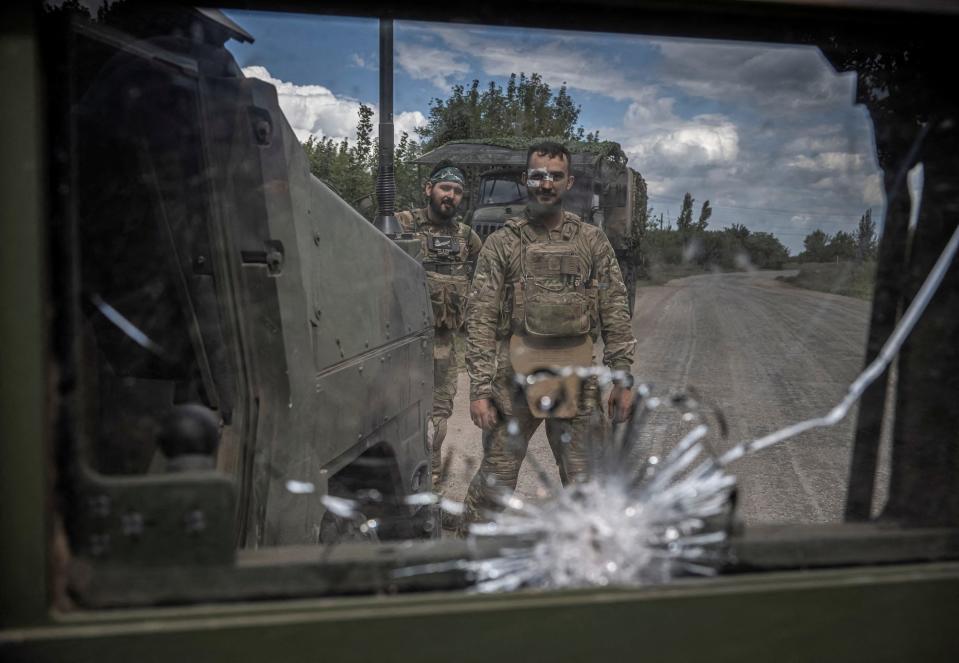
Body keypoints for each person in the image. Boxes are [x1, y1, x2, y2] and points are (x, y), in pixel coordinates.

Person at [461, 141, 637, 528]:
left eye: (555, 176)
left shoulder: (591, 240)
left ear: (568, 182)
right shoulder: (502, 243)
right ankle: (470, 558)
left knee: (588, 484)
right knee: (495, 482)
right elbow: (481, 317)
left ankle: (592, 567)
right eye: (538, 175)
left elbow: (614, 310)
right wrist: (479, 389)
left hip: (575, 377)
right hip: (515, 378)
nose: (546, 184)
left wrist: (623, 378)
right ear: (526, 180)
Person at [396, 161, 482, 493]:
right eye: (446, 188)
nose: (451, 196)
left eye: (458, 191)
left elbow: (485, 281)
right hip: (402, 343)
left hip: (444, 346)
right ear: (428, 189)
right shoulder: (403, 223)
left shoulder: (466, 238)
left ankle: (430, 483)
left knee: (438, 417)